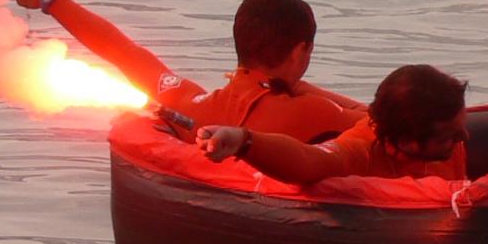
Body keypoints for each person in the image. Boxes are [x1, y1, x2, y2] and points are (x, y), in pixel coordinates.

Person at [8, 0, 363, 141]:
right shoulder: (312, 112)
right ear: (301, 50)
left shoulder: (190, 104)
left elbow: (124, 52)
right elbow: (389, 119)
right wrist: (304, 88)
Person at [197, 64, 468, 183]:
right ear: (410, 140)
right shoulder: (361, 153)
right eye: (451, 136)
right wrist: (244, 140)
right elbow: (309, 160)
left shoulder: (448, 145)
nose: (463, 138)